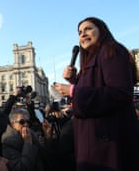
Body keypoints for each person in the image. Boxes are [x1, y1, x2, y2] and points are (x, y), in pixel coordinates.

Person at [54, 17, 139, 171]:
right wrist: (75, 81)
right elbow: (94, 92)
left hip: (109, 146)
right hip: (94, 142)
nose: (83, 34)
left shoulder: (111, 50)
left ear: (101, 30)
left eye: (88, 29)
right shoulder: (92, 60)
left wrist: (73, 90)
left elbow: (119, 93)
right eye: (80, 32)